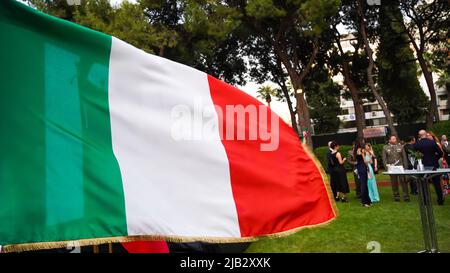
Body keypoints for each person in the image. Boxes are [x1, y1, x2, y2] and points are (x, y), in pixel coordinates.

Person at [415, 130, 444, 205]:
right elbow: (440, 153)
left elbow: (415, 155)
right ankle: (440, 200)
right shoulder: (432, 142)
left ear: (419, 135)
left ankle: (425, 201)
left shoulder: (417, 144)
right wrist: (435, 158)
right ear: (425, 134)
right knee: (437, 183)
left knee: (424, 183)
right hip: (433, 164)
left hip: (423, 165)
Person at [382, 135, 409, 202]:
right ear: (389, 140)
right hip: (392, 168)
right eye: (393, 139)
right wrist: (387, 167)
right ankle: (396, 196)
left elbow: (404, 157)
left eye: (395, 138)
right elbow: (384, 159)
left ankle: (406, 196)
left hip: (400, 167)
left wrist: (405, 167)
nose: (395, 140)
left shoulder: (400, 146)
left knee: (403, 181)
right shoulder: (385, 148)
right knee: (394, 182)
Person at [354, 140, 371, 207]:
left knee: (363, 184)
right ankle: (364, 202)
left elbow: (357, 160)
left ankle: (367, 201)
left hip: (359, 167)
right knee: (364, 185)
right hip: (363, 167)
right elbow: (365, 161)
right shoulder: (362, 150)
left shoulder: (355, 151)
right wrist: (368, 164)